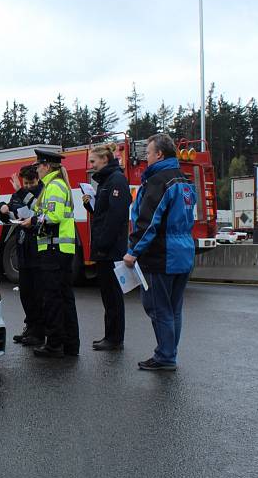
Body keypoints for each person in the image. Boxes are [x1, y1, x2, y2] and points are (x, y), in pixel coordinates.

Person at [123, 133, 196, 371]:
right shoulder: (183, 180)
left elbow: (148, 222)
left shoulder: (158, 181)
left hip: (162, 254)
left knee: (158, 307)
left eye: (149, 153)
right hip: (183, 251)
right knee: (174, 308)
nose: (146, 158)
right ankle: (168, 353)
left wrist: (133, 251)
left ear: (159, 154)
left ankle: (165, 356)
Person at [20, 148, 80, 358]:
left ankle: (55, 344)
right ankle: (71, 344)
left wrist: (33, 221)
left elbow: (52, 216)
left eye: (38, 166)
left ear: (46, 166)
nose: (36, 170)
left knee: (53, 298)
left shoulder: (54, 186)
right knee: (65, 298)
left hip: (54, 249)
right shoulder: (56, 185)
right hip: (61, 249)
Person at [82, 143, 131, 351]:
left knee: (113, 295)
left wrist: (102, 244)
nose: (90, 166)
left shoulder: (116, 180)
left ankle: (115, 338)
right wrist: (89, 205)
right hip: (105, 247)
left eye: (93, 161)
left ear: (104, 159)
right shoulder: (105, 182)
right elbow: (102, 214)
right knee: (107, 295)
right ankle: (110, 335)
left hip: (111, 249)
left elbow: (115, 217)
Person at [0, 165, 44, 346]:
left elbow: (41, 214)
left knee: (38, 294)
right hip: (23, 247)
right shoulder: (18, 194)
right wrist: (2, 209)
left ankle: (39, 332)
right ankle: (30, 328)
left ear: (37, 180)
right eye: (25, 183)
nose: (28, 186)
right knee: (26, 293)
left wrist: (22, 193)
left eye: (31, 183)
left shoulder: (41, 192)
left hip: (37, 249)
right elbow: (11, 210)